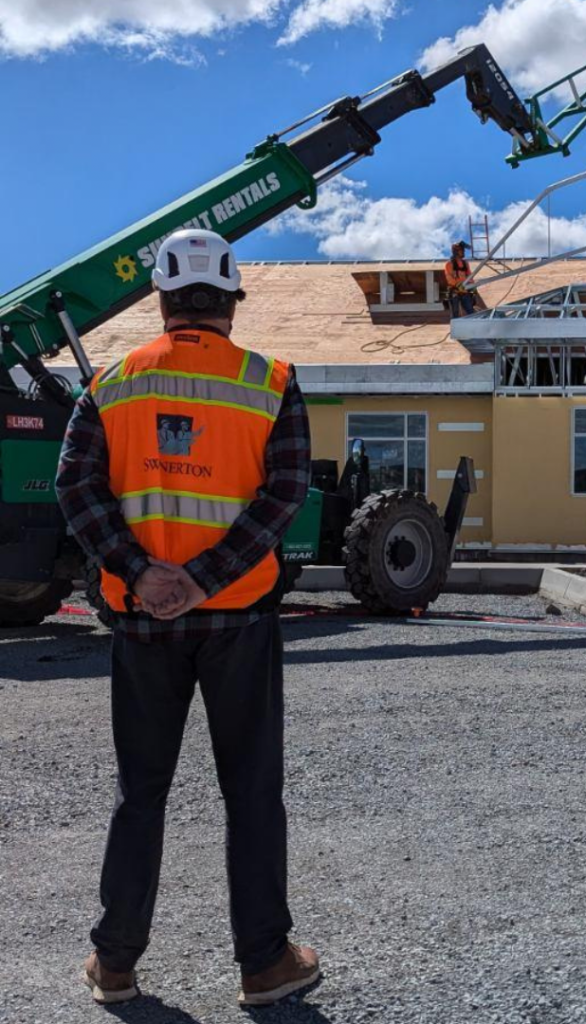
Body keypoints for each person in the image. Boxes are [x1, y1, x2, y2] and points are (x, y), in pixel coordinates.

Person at [55, 229, 319, 1008]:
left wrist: (142, 574)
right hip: (237, 620)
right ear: (230, 299)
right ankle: (265, 964)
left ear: (163, 299)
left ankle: (115, 963)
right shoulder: (270, 381)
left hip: (141, 625)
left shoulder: (110, 383)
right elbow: (283, 496)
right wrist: (204, 580)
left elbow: (78, 488)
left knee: (141, 792)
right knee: (252, 792)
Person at [444, 241, 475, 318]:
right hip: (455, 292)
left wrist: (473, 288)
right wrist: (457, 285)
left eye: (463, 250)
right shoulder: (449, 264)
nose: (463, 252)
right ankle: (456, 329)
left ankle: (473, 328)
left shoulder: (465, 263)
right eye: (462, 250)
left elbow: (470, 276)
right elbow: (449, 278)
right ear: (456, 251)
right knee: (455, 313)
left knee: (471, 312)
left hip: (465, 292)